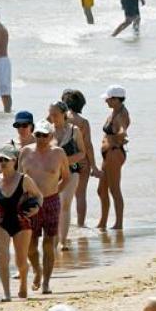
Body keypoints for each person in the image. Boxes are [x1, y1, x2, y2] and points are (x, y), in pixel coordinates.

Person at [0, 143, 42, 301]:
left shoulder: (24, 180)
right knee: (3, 257)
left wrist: (36, 208)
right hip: (0, 221)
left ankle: (23, 282)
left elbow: (38, 196)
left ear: (14, 160)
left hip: (22, 221)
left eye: (5, 159)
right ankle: (7, 293)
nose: (2, 162)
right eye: (0, 159)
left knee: (21, 259)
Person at [19, 120, 70, 294]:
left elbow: (66, 177)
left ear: (51, 136)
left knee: (49, 243)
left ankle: (46, 282)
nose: (41, 139)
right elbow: (19, 179)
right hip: (30, 202)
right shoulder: (25, 152)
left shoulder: (58, 153)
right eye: (38, 135)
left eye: (44, 135)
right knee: (30, 245)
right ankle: (37, 270)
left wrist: (56, 192)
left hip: (50, 201)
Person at [49, 102, 86, 250]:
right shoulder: (47, 131)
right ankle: (54, 237)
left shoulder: (74, 130)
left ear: (64, 114)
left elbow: (82, 152)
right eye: (51, 114)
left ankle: (63, 240)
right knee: (53, 206)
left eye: (56, 114)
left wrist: (66, 161)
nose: (53, 118)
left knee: (65, 203)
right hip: (51, 174)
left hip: (71, 171)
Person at [62, 90, 99, 229]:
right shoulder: (83, 122)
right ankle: (81, 225)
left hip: (65, 161)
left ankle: (64, 225)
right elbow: (88, 145)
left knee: (63, 195)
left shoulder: (61, 118)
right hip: (82, 160)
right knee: (81, 194)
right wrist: (94, 166)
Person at [98, 85, 129, 231]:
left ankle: (119, 223)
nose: (106, 101)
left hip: (114, 153)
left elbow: (123, 129)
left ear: (116, 99)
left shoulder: (122, 114)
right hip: (108, 154)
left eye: (108, 99)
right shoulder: (114, 112)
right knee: (101, 189)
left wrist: (121, 136)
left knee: (114, 189)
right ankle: (102, 222)